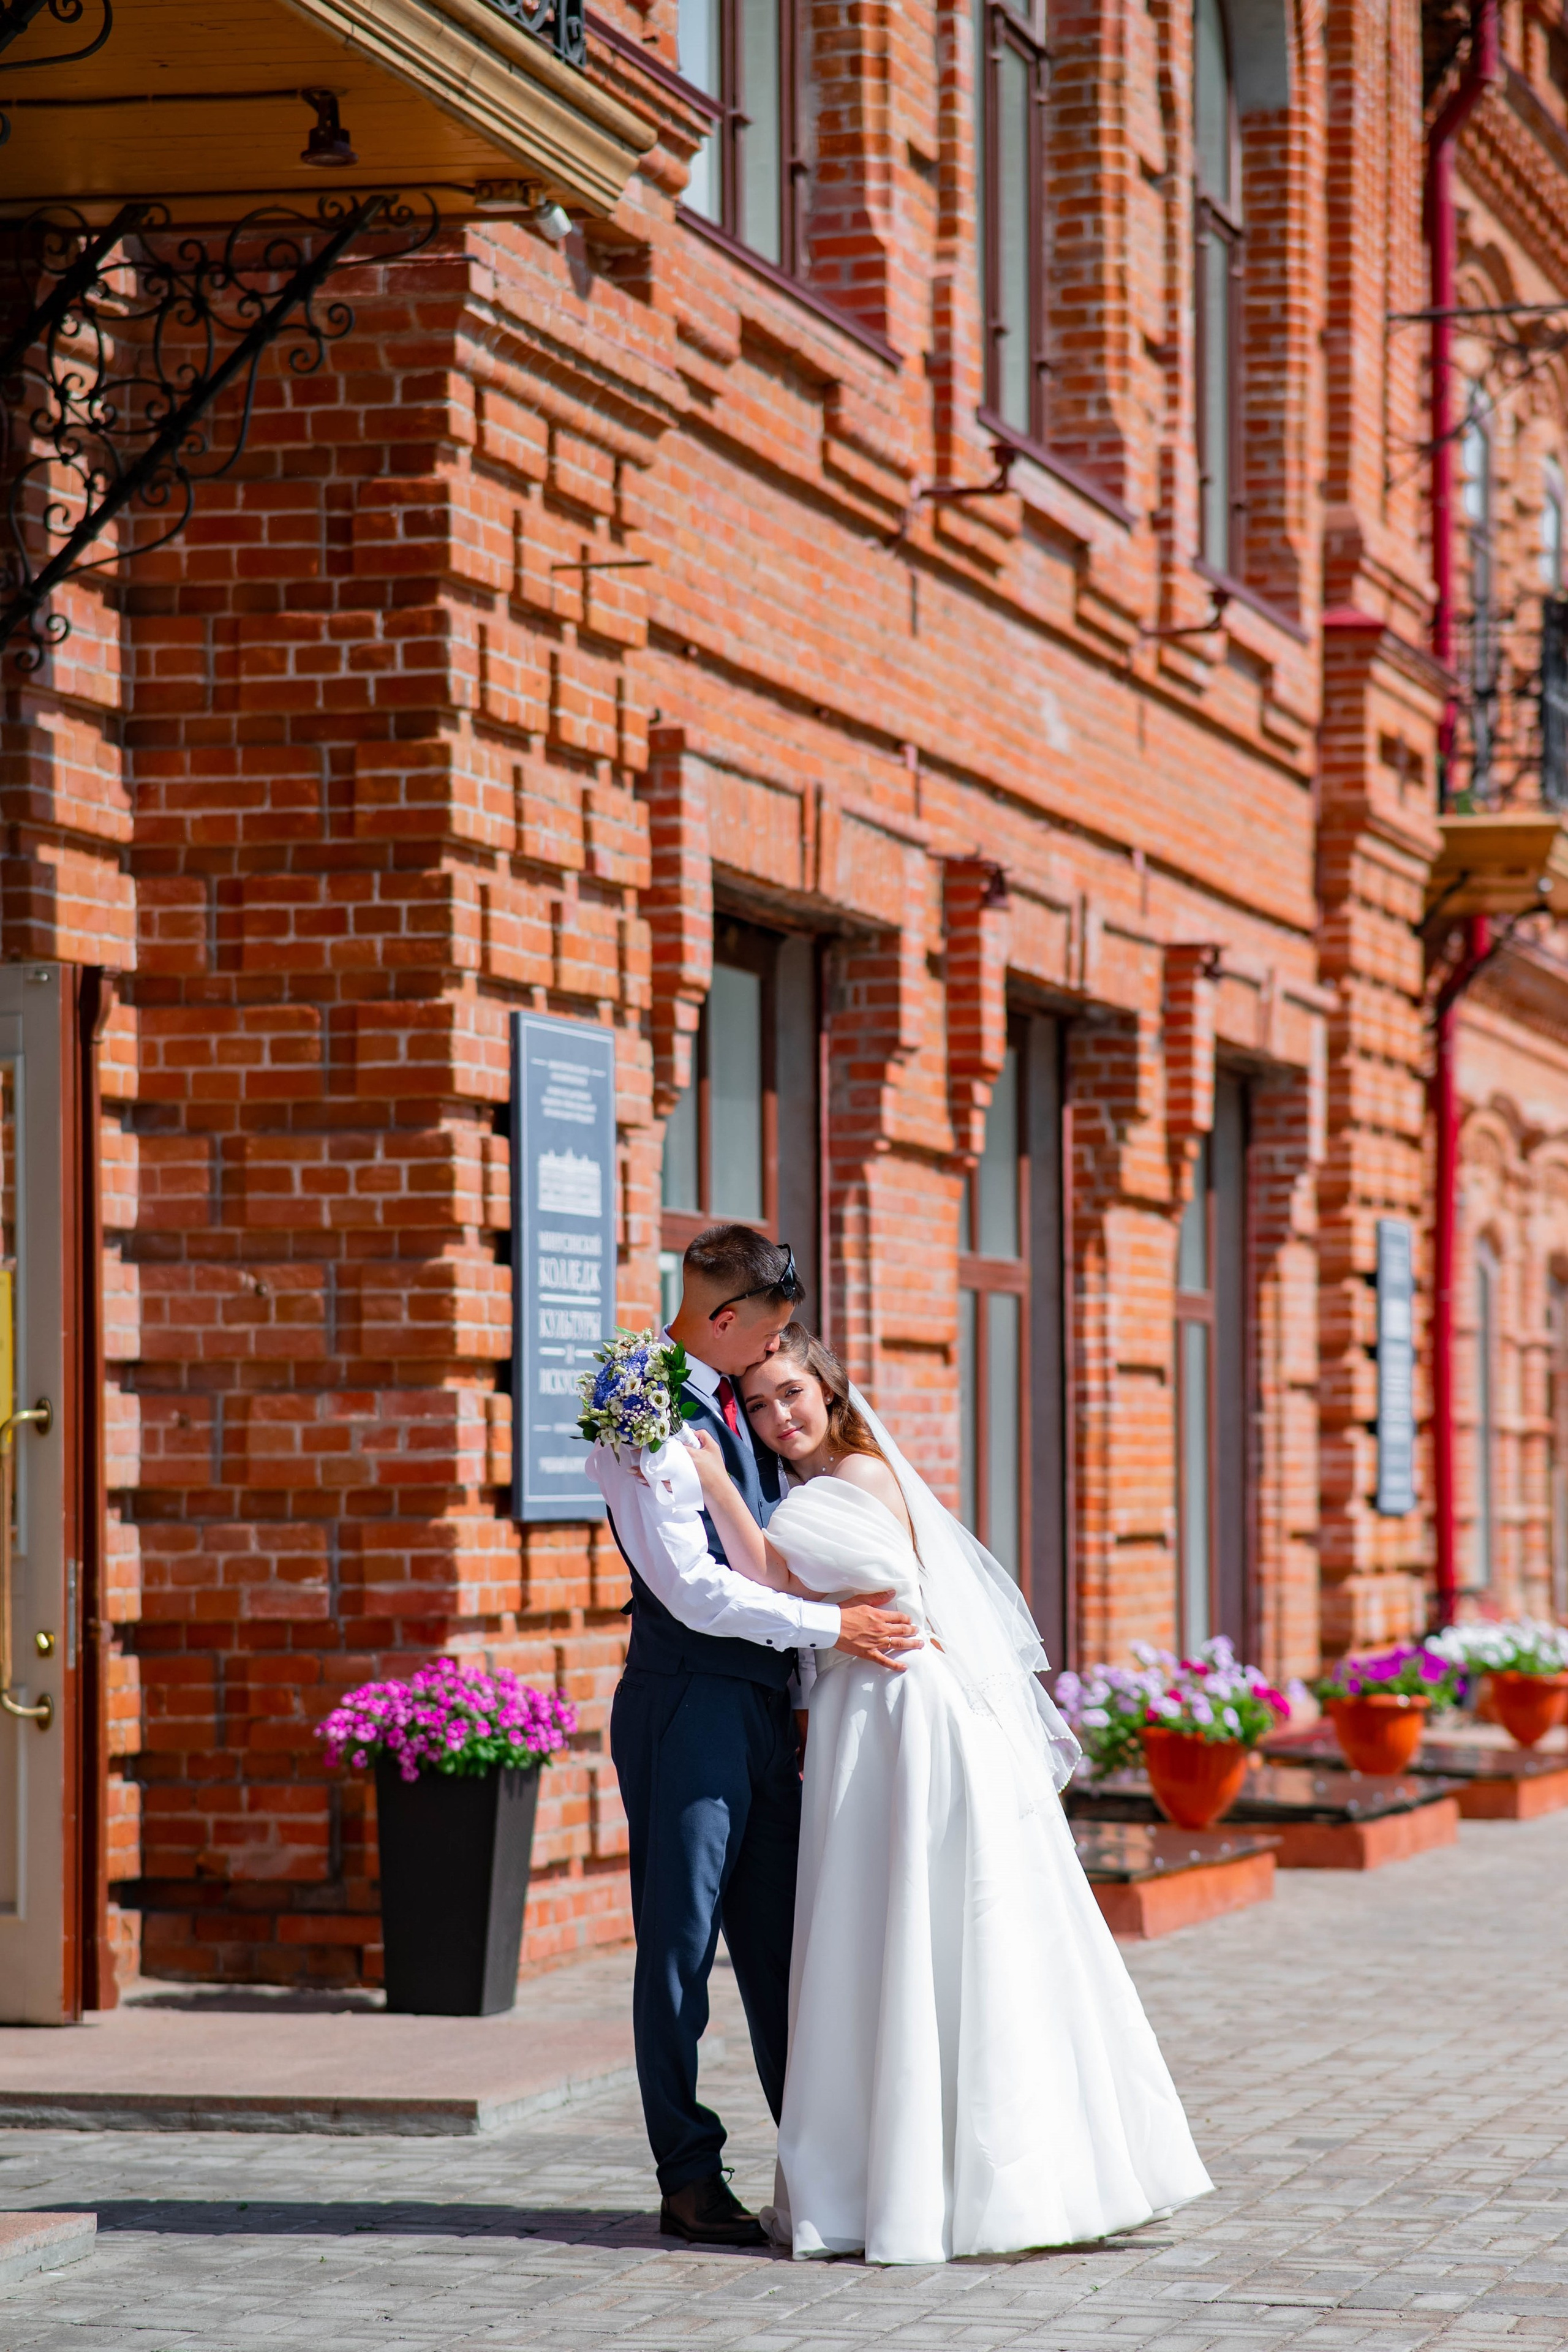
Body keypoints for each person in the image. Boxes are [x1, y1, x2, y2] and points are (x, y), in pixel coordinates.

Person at [689, 1321, 1215, 2264]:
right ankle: (916, 2179)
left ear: (829, 1389)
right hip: (875, 1708)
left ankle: (948, 2187)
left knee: (914, 1928)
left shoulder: (852, 1481)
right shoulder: (826, 1485)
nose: (778, 1418)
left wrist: (713, 1482)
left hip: (899, 1715)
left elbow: (769, 1575)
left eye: (792, 1394)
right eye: (759, 1406)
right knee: (899, 1932)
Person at [592, 1227, 924, 2249]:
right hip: (689, 1703)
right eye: (773, 1332)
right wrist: (833, 1629)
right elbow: (691, 1590)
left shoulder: (743, 1398)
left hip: (770, 1710)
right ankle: (688, 2175)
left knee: (788, 1952)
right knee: (681, 1948)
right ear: (727, 1319)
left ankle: (821, 2172)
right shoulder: (640, 1405)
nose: (783, 1351)